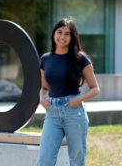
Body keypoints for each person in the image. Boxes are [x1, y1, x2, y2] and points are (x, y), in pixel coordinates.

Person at [37, 18, 100, 166]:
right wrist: (41, 99)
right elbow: (44, 87)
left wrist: (77, 100)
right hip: (52, 114)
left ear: (72, 37)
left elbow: (95, 88)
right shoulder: (45, 59)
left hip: (74, 112)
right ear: (54, 34)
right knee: (44, 160)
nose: (62, 37)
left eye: (67, 34)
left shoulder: (80, 59)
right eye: (60, 32)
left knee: (76, 161)